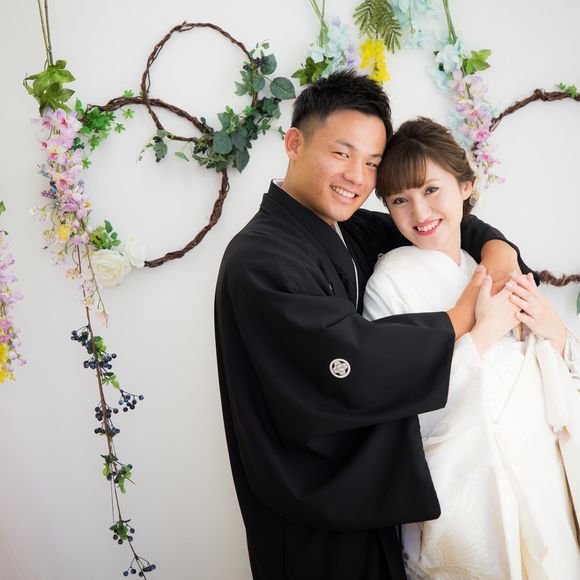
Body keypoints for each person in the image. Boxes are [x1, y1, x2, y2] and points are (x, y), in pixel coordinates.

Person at [214, 71, 534, 580]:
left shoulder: (345, 225)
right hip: (311, 508)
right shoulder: (261, 257)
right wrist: (464, 317)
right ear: (294, 143)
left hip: (367, 503)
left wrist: (499, 250)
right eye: (341, 154)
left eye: (371, 164)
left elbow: (439, 223)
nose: (357, 178)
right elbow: (352, 360)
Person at [363, 117, 580, 579]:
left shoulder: (494, 264)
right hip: (468, 496)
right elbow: (395, 405)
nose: (420, 212)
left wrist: (556, 333)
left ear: (465, 186)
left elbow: (553, 384)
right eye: (399, 200)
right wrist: (482, 336)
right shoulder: (388, 283)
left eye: (431, 190)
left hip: (539, 481)